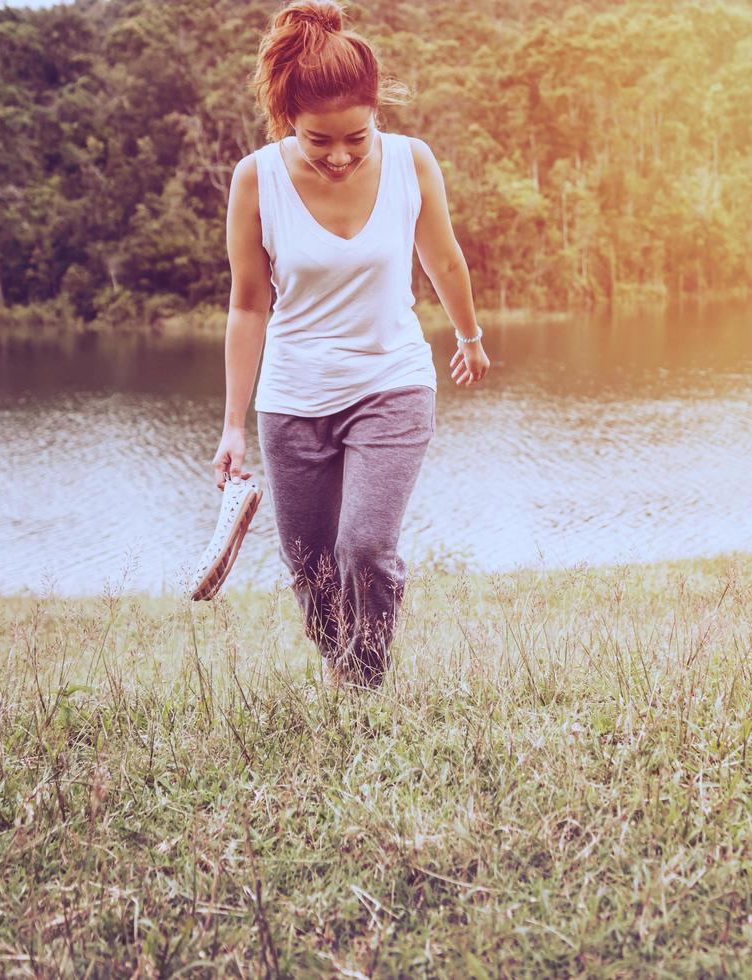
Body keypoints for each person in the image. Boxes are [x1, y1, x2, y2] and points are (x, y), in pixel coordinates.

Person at [211, 0, 491, 689]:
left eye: (355, 140)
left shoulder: (410, 163)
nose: (339, 156)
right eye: (318, 142)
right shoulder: (257, 180)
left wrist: (470, 337)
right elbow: (249, 306)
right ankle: (342, 665)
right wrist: (232, 427)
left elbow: (445, 261)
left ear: (375, 116)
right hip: (294, 398)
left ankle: (363, 685)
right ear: (288, 124)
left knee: (364, 547)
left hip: (391, 382)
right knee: (310, 568)